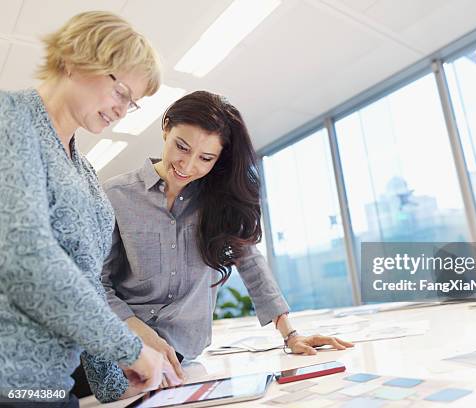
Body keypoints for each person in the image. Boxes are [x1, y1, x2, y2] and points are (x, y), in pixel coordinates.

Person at [96, 90, 354, 395]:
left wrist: (291, 335)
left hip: (183, 359)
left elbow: (251, 264)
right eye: (181, 146)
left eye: (205, 158)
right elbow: (98, 283)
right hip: (122, 348)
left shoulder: (217, 203)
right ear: (166, 127)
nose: (187, 165)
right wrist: (137, 332)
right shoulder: (115, 195)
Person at [0, 11, 181, 407]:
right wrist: (130, 348)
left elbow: (86, 284)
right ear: (74, 61)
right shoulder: (10, 118)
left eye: (132, 103)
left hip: (50, 387)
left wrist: (113, 381)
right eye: (120, 92)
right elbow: (26, 258)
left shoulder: (86, 175)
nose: (122, 108)